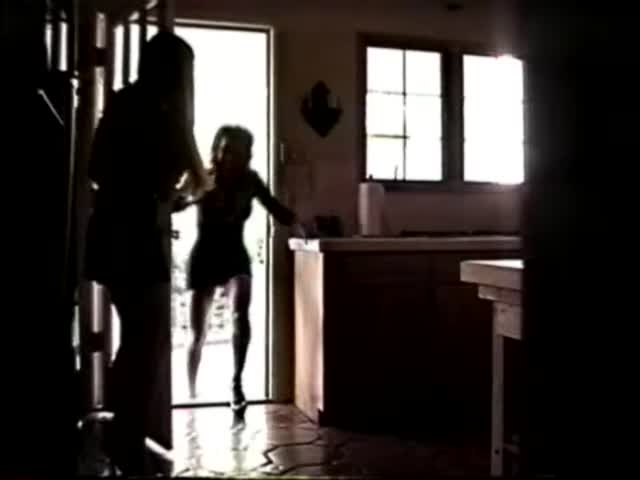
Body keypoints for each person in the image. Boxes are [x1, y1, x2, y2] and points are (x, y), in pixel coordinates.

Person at [84, 32, 210, 474]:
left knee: (136, 339)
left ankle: (121, 435)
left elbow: (96, 168)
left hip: (109, 234)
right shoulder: (169, 115)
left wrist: (149, 193)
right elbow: (195, 180)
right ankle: (127, 439)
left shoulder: (122, 103)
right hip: (139, 238)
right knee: (148, 343)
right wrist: (167, 199)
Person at [174, 125, 304, 421]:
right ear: (217, 151)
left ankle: (236, 384)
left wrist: (301, 225)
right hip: (205, 255)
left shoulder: (250, 180)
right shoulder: (203, 176)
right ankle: (190, 391)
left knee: (240, 312)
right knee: (197, 332)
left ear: (246, 154)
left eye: (236, 151)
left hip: (235, 255)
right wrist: (188, 197)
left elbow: (275, 208)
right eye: (224, 149)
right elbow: (175, 203)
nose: (228, 156)